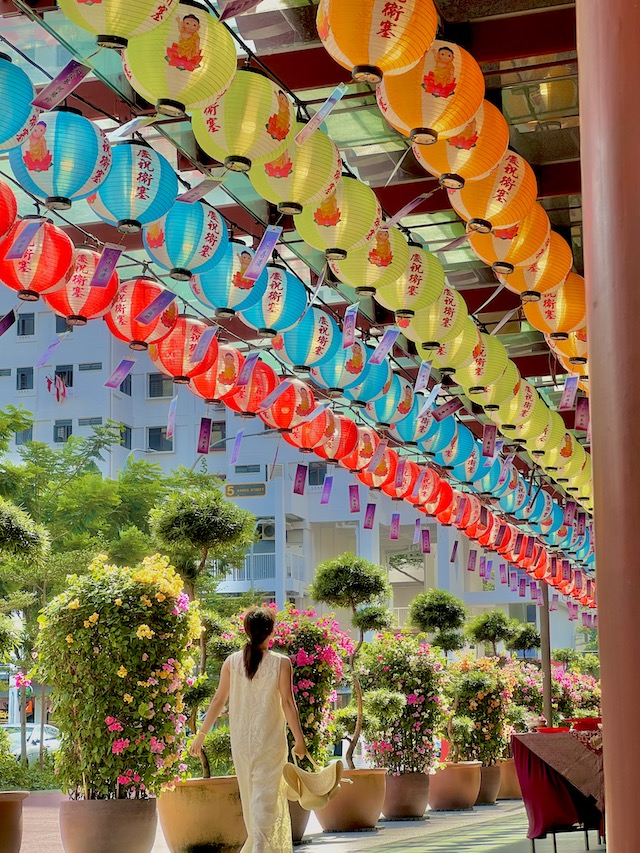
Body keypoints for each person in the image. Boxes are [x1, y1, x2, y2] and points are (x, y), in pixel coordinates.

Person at [190, 607, 308, 853]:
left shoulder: (232, 662)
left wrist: (200, 736)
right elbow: (288, 703)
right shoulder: (281, 663)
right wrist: (299, 740)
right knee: (264, 803)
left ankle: (257, 847)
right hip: (270, 744)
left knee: (255, 802)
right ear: (271, 631)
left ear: (246, 631)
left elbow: (218, 700)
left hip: (242, 745)